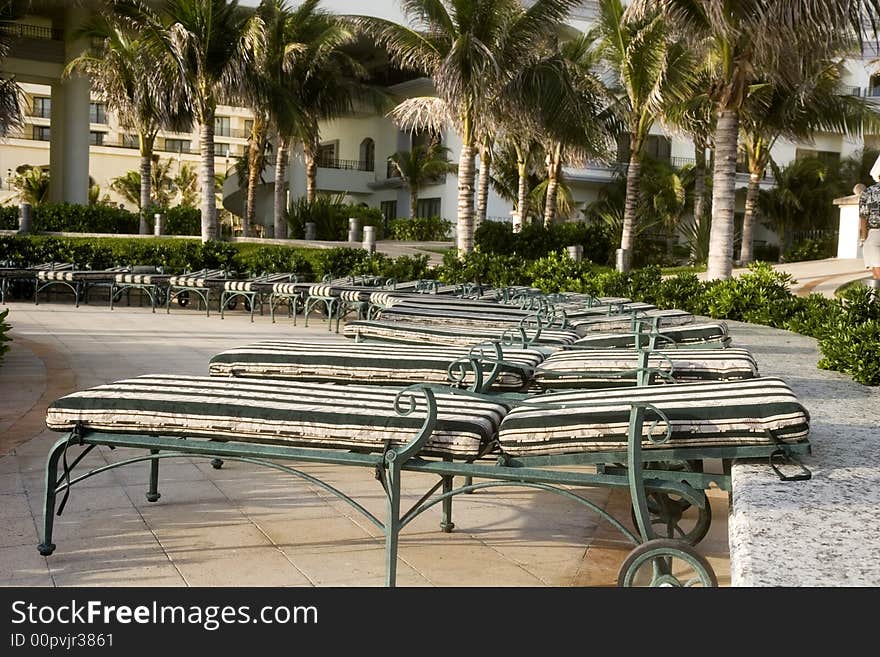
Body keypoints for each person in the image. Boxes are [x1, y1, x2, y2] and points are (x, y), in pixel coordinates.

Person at [858, 156, 880, 297]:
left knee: (877, 273)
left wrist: (863, 238)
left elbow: (863, 217)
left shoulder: (868, 192)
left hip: (875, 234)